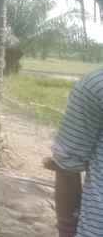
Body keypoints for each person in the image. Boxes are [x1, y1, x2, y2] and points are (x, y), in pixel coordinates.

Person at [47, 68, 103, 236]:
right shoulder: (96, 86)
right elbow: (67, 164)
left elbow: (67, 163)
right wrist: (67, 229)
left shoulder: (95, 85)